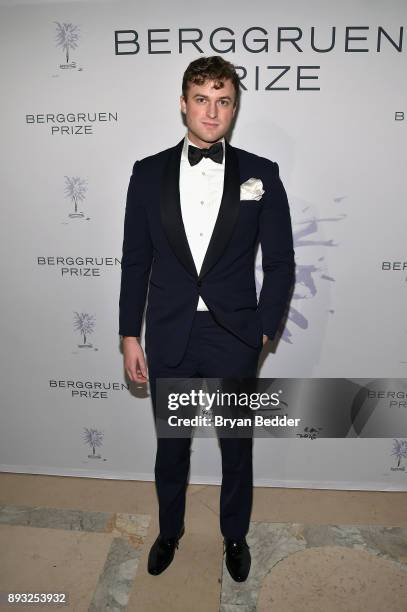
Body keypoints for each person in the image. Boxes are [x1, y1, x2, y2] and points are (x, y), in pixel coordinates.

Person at [119, 56, 295, 581]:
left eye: (223, 101)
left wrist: (265, 327)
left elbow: (282, 261)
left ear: (234, 108)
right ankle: (169, 530)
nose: (211, 112)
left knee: (235, 448)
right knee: (171, 448)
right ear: (183, 103)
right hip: (170, 333)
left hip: (235, 335)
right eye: (202, 99)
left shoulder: (262, 173)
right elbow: (135, 259)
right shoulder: (146, 173)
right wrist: (130, 333)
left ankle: (234, 536)